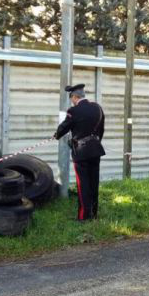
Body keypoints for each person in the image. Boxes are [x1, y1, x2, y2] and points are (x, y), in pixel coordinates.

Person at [54, 84, 105, 221]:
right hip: (96, 150)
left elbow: (64, 127)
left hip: (81, 153)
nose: (72, 101)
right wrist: (95, 142)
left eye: (72, 98)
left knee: (83, 185)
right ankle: (94, 214)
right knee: (94, 183)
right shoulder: (97, 108)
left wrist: (56, 135)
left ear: (75, 97)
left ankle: (83, 217)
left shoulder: (74, 111)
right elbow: (101, 130)